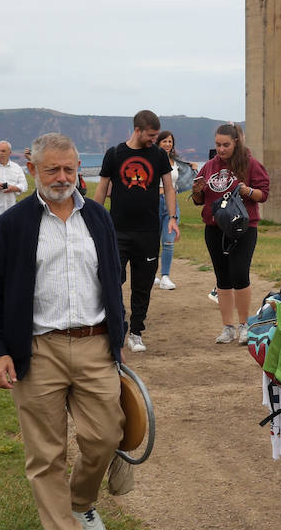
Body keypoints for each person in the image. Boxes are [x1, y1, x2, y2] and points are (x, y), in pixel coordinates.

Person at [0, 132, 126, 530]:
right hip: (37, 349)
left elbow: (111, 279)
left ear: (79, 168)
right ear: (34, 170)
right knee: (46, 452)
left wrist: (118, 336)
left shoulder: (98, 217)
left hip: (95, 345)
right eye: (52, 169)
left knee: (106, 437)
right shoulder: (14, 224)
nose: (62, 178)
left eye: (69, 169)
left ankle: (79, 502)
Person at [94, 110, 178, 353]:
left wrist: (172, 218)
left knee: (142, 286)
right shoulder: (115, 154)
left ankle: (136, 332)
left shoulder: (159, 155)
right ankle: (116, 326)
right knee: (112, 281)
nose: (154, 139)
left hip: (148, 232)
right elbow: (101, 189)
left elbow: (169, 188)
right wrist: (94, 218)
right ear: (138, 130)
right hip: (117, 230)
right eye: (151, 135)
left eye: (156, 135)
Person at [192, 122, 270, 345]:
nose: (221, 149)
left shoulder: (250, 164)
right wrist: (197, 193)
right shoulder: (209, 166)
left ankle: (245, 324)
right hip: (215, 228)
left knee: (239, 274)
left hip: (243, 228)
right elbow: (200, 201)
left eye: (225, 144)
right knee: (222, 278)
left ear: (236, 142)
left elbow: (263, 194)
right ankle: (228, 327)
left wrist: (248, 191)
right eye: (217, 145)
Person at [154, 130, 197, 291]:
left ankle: (165, 276)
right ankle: (152, 274)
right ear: (158, 143)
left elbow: (183, 178)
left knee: (168, 240)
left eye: (170, 141)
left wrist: (191, 167)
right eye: (164, 141)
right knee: (152, 241)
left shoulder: (175, 162)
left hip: (171, 204)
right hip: (153, 203)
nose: (167, 144)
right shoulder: (152, 159)